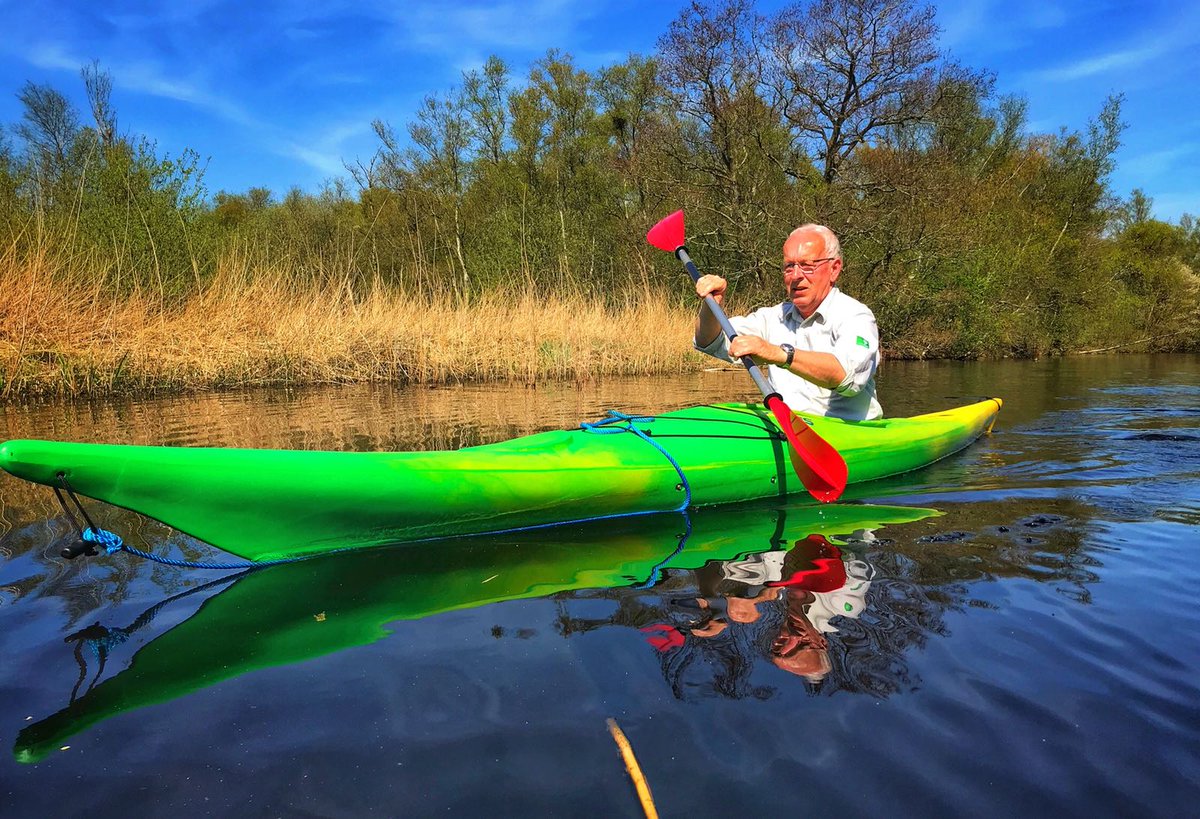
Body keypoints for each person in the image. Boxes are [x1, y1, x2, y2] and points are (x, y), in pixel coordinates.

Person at [694, 224, 883, 420]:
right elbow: (708, 342)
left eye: (808, 266)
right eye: (789, 267)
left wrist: (779, 354)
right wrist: (711, 305)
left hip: (849, 431)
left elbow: (848, 379)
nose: (796, 276)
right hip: (786, 428)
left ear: (834, 269)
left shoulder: (856, 316)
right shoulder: (772, 317)